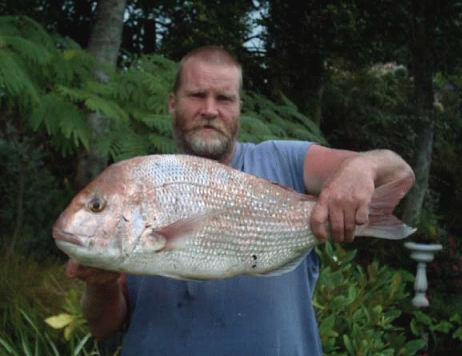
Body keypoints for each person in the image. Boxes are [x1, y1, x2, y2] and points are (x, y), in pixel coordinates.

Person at [66, 46, 415, 355]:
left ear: (239, 108)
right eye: (196, 95)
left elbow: (396, 172)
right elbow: (105, 328)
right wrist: (102, 285)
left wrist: (363, 167)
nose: (209, 109)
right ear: (172, 103)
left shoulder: (287, 161)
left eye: (224, 99)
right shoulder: (143, 180)